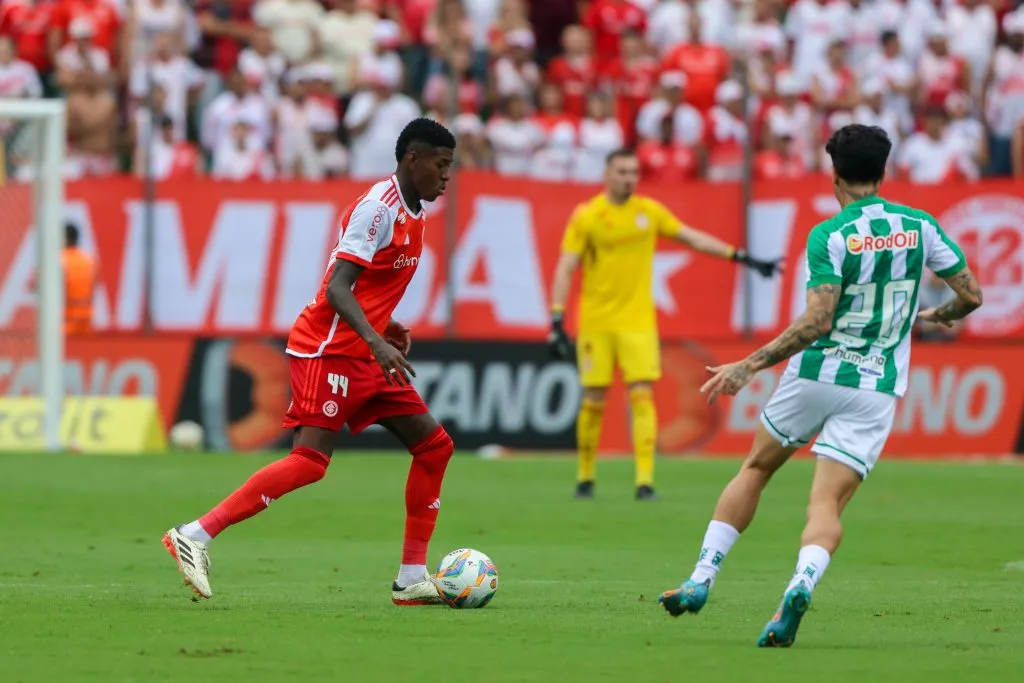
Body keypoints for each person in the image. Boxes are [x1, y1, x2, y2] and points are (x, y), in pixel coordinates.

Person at [657, 124, 984, 647]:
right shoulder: (921, 226)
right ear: (883, 172)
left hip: (816, 374)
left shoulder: (829, 235)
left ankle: (701, 578)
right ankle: (800, 584)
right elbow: (971, 295)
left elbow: (817, 321)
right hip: (876, 386)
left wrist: (750, 364)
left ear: (834, 175)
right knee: (825, 505)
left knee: (756, 467)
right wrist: (941, 315)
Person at [163, 119, 457, 606]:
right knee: (310, 462)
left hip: (366, 352)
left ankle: (411, 578)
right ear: (413, 159)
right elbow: (337, 288)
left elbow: (366, 286)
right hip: (328, 350)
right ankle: (194, 534)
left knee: (434, 447)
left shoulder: (415, 212)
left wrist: (384, 326)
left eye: (451, 166)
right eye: (441, 165)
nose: (447, 176)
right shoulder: (377, 210)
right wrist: (376, 340)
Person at [548, 149, 781, 501]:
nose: (629, 178)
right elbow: (566, 266)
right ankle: (585, 477)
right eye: (622, 171)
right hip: (596, 322)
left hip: (638, 322)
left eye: (633, 172)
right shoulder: (588, 215)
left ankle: (644, 481)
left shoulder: (648, 212)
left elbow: (691, 237)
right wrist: (556, 318)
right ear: (607, 174)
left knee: (641, 395)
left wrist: (739, 256)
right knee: (593, 398)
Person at [62, 222, 97, 336]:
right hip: (86, 321)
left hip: (64, 321)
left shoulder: (58, 260)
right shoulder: (89, 260)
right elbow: (96, 285)